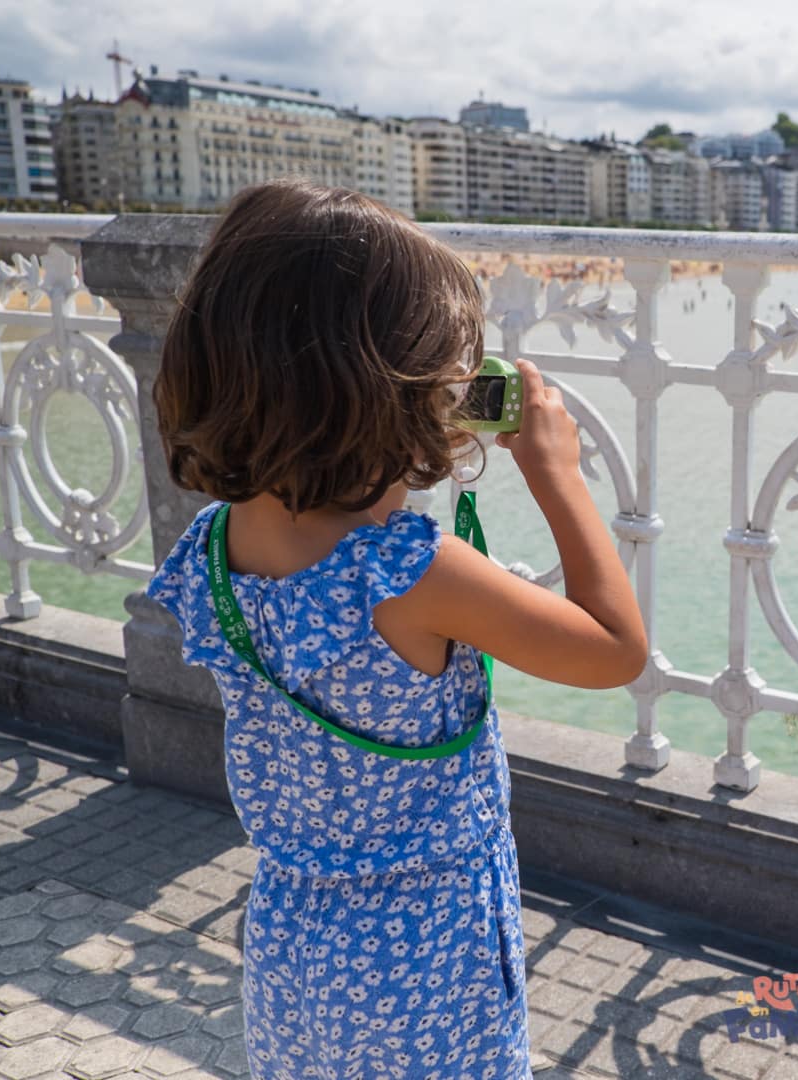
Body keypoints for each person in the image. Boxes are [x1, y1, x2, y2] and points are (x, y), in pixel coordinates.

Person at [146, 180, 647, 1079]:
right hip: (430, 960)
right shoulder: (408, 572)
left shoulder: (210, 550)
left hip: (297, 947)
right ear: (386, 392)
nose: (458, 390)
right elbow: (614, 649)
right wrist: (556, 471)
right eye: (446, 370)